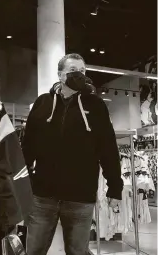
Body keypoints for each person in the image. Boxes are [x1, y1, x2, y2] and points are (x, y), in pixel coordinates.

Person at [22, 53, 124, 255]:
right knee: (33, 250)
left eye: (83, 71)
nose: (79, 75)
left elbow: (108, 148)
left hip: (80, 197)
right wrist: (22, 184)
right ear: (60, 75)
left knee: (78, 251)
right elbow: (27, 147)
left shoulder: (96, 106)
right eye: (73, 71)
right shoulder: (42, 104)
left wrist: (115, 187)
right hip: (43, 195)